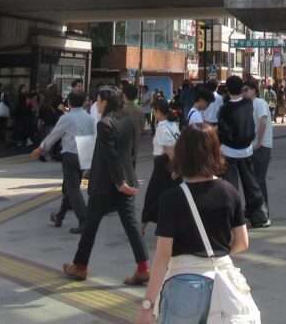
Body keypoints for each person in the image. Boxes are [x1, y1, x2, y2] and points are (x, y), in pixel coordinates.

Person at [136, 124, 260, 324]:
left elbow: (162, 255)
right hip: (225, 285)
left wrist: (148, 304)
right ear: (215, 151)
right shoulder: (230, 191)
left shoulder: (172, 198)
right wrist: (217, 253)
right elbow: (242, 243)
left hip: (184, 286)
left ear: (182, 154)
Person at [64, 88, 150, 285]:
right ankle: (143, 268)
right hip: (126, 182)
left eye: (98, 100)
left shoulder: (104, 124)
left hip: (105, 184)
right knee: (132, 226)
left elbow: (111, 156)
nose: (97, 104)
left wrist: (119, 182)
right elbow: (132, 153)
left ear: (104, 102)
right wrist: (127, 179)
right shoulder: (128, 120)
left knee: (90, 226)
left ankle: (80, 266)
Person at [32, 90, 95, 233]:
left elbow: (54, 135)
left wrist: (41, 148)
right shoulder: (89, 118)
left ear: (69, 103)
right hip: (85, 153)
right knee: (70, 187)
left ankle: (84, 220)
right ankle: (59, 216)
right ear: (84, 102)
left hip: (71, 154)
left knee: (72, 189)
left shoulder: (67, 118)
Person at [217, 76, 271, 228]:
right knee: (252, 185)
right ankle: (259, 216)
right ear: (241, 89)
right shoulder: (248, 104)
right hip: (246, 150)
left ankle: (234, 220)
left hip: (229, 150)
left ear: (228, 89)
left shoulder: (225, 108)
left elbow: (222, 131)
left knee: (231, 187)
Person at [141, 98, 180, 231]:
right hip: (171, 163)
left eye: (155, 111)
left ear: (158, 112)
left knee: (153, 196)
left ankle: (142, 226)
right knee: (170, 197)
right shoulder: (173, 124)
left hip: (164, 164)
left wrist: (175, 168)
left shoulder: (162, 127)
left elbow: (170, 150)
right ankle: (169, 225)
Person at [244, 79, 275, 214]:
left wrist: (259, 142)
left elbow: (263, 122)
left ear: (254, 90)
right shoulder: (248, 105)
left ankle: (263, 211)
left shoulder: (259, 103)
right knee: (253, 180)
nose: (243, 93)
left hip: (262, 146)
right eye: (242, 91)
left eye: (246, 90)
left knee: (259, 180)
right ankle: (255, 211)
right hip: (253, 146)